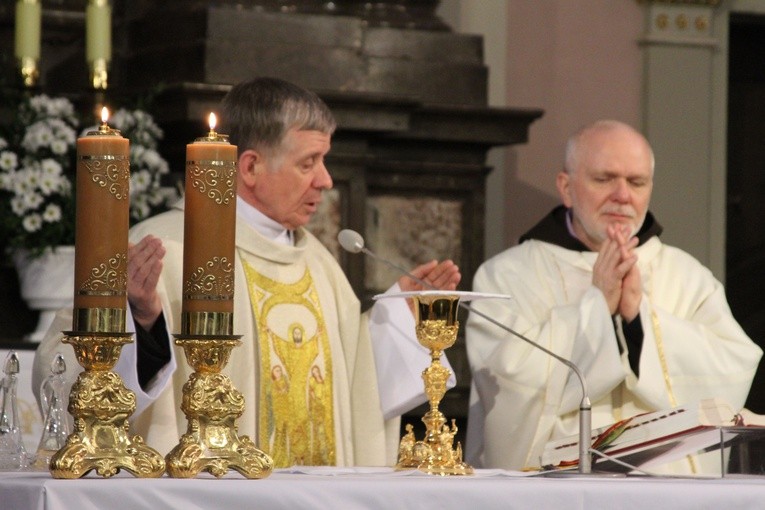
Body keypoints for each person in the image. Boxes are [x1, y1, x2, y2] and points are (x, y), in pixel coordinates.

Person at [33, 77, 461, 467]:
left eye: (325, 161)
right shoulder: (162, 250)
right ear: (250, 167)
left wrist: (396, 321)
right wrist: (142, 323)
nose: (327, 181)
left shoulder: (320, 265)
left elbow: (355, 389)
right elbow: (60, 372)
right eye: (309, 163)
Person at [465, 119, 762, 472]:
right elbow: (507, 380)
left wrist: (639, 320)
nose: (622, 195)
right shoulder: (508, 276)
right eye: (604, 179)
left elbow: (733, 366)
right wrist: (597, 307)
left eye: (636, 182)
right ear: (566, 187)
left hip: (667, 490)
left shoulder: (687, 276)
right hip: (557, 485)